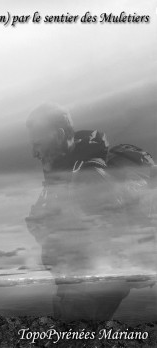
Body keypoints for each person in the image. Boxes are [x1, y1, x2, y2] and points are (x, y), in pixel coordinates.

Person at [25, 102, 155, 322]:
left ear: (58, 135)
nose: (34, 153)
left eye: (38, 144)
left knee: (74, 336)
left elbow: (102, 235)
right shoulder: (69, 173)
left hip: (90, 286)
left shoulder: (88, 175)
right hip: (80, 283)